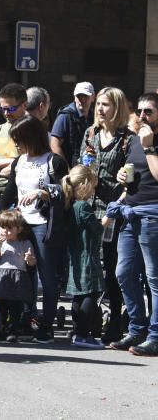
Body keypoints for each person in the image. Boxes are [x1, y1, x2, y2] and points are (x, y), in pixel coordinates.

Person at [0, 115, 70, 343]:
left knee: (46, 276)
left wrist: (43, 193)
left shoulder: (54, 161)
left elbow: (65, 193)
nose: (17, 144)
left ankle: (46, 324)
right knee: (22, 275)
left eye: (20, 139)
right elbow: (10, 190)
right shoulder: (20, 161)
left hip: (43, 225)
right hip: (20, 223)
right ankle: (25, 319)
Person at [78, 86, 132, 343]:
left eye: (105, 104)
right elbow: (82, 166)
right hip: (89, 207)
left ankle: (115, 324)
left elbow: (131, 182)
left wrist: (112, 203)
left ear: (117, 108)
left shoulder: (127, 139)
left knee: (112, 268)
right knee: (89, 265)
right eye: (98, 104)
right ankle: (89, 321)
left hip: (114, 211)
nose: (100, 109)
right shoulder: (91, 133)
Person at [107, 93, 158, 356]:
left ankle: (155, 335)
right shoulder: (136, 141)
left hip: (153, 214)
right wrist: (123, 182)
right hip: (130, 211)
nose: (142, 116)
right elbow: (134, 176)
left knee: (154, 278)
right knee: (123, 273)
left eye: (148, 111)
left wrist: (150, 147)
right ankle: (137, 329)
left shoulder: (148, 141)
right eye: (139, 111)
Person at [63, 165, 106, 348]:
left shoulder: (69, 205)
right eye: (93, 187)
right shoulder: (84, 207)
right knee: (92, 293)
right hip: (88, 257)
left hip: (74, 258)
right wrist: (106, 220)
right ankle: (82, 334)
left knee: (78, 296)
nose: (94, 191)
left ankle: (76, 330)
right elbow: (97, 230)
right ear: (84, 185)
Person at [0, 209, 37, 342]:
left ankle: (13, 331)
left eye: (9, 229)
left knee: (16, 307)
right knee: (1, 306)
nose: (4, 231)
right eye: (2, 228)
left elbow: (32, 263)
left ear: (18, 229)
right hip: (2, 277)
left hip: (18, 278)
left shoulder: (25, 243)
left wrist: (29, 258)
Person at [51, 82, 95, 167]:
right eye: (79, 96)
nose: (82, 99)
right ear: (74, 97)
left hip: (87, 169)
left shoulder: (94, 117)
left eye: (85, 96)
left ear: (93, 97)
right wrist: (67, 170)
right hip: (71, 171)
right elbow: (54, 145)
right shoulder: (65, 116)